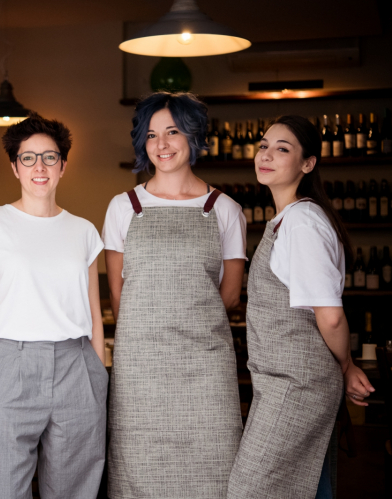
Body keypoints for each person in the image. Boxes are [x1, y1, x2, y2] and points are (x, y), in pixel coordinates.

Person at [103, 92, 245, 498]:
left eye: (172, 131)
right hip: (140, 370)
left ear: (195, 135)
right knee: (138, 470)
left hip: (205, 369)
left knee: (214, 467)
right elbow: (119, 295)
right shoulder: (123, 207)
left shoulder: (225, 209)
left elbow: (230, 296)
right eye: (151, 135)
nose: (161, 144)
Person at [227, 115, 374, 499]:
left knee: (250, 489)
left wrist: (344, 366)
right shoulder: (287, 220)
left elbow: (331, 314)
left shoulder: (303, 223)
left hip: (299, 384)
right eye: (263, 146)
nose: (267, 155)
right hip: (284, 381)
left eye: (282, 148)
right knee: (309, 486)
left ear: (307, 164)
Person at [0, 113, 107, 499]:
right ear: (14, 167)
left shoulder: (83, 231)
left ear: (63, 165)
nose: (39, 167)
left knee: (74, 489)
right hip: (12, 363)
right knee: (3, 489)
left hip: (77, 367)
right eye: (28, 158)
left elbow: (95, 313)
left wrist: (95, 372)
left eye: (50, 156)